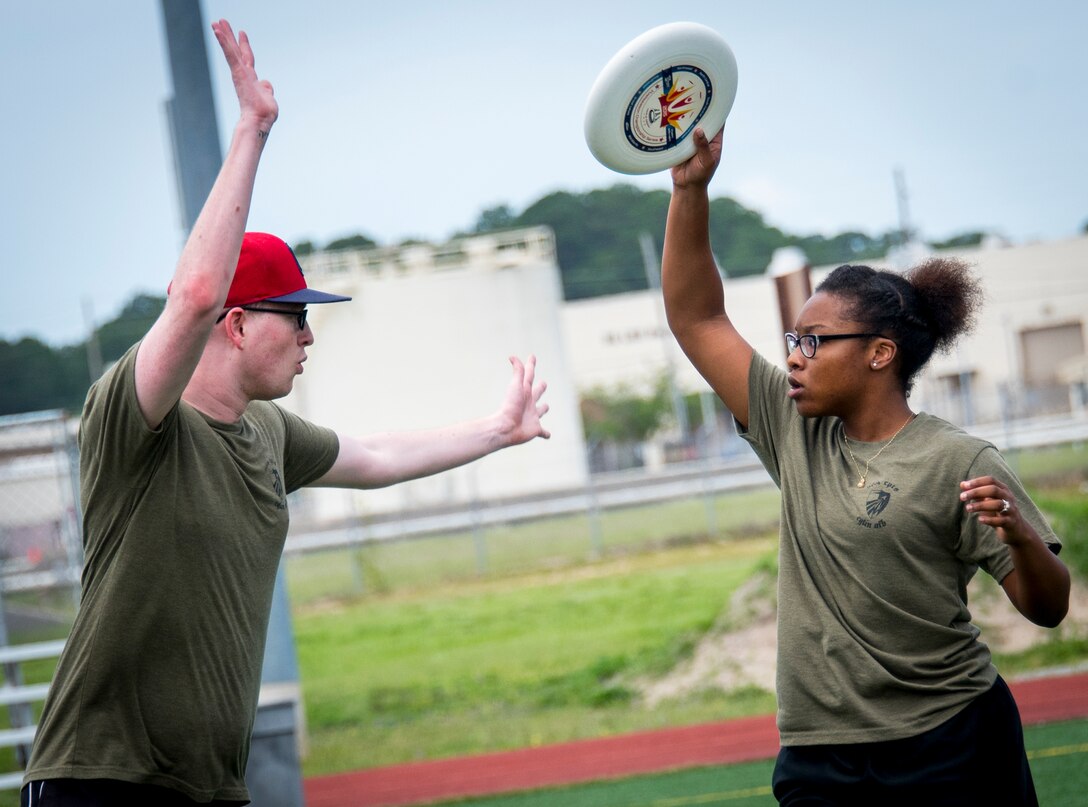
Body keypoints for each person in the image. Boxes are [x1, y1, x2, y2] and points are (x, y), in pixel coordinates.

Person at [21, 20, 549, 807]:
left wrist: (497, 432)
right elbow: (195, 291)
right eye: (292, 315)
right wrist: (252, 130)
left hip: (210, 785)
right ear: (234, 325)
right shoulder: (135, 421)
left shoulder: (265, 431)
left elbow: (371, 457)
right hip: (102, 782)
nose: (309, 334)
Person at [660, 127, 1069, 806]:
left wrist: (1023, 538)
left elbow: (1048, 608)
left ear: (880, 354)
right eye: (794, 340)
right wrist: (691, 189)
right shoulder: (792, 428)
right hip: (821, 756)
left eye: (814, 342)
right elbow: (695, 316)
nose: (794, 356)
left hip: (952, 741)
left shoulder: (956, 460)